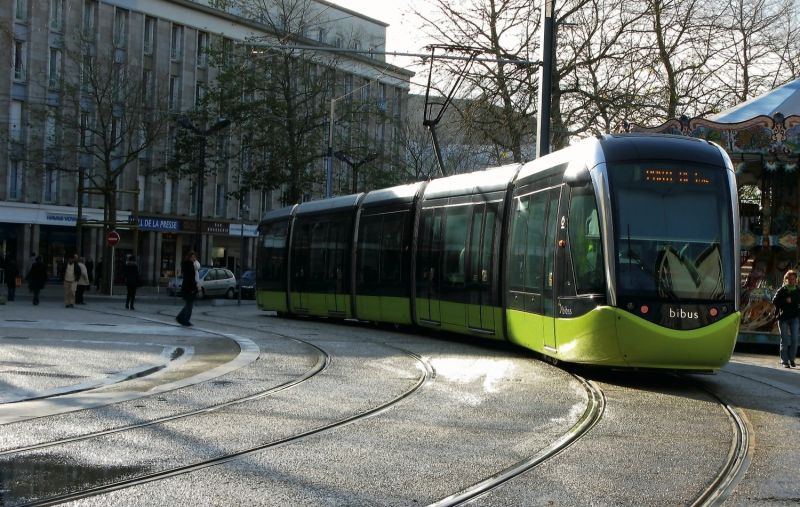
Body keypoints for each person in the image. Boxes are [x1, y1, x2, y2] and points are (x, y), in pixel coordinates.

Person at [772, 269, 799, 368]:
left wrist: (793, 301)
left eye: (793, 279)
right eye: (790, 279)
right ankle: (784, 361)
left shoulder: (798, 290)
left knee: (795, 339)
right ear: (786, 279)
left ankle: (791, 359)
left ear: (796, 280)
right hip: (783, 317)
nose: (792, 281)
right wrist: (785, 301)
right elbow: (774, 301)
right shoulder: (782, 290)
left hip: (794, 317)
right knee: (785, 339)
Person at [176, 251, 198, 326]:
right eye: (193, 257)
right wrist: (193, 287)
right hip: (189, 288)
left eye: (195, 257)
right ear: (190, 258)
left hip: (186, 287)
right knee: (189, 305)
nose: (194, 258)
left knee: (188, 304)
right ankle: (184, 320)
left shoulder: (188, 265)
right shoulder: (190, 265)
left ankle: (181, 318)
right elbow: (191, 278)